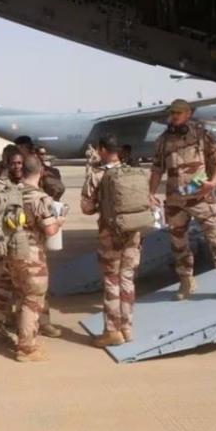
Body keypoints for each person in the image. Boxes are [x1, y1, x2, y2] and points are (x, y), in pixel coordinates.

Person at [149, 99, 216, 300]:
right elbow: (157, 169)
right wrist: (150, 193)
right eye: (172, 112)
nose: (174, 116)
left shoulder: (202, 135)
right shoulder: (162, 141)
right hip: (175, 200)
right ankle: (186, 280)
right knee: (178, 243)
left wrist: (213, 182)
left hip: (202, 197)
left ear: (187, 114)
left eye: (179, 112)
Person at [81, 134, 140, 347]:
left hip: (111, 234)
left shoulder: (97, 175)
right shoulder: (132, 171)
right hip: (133, 233)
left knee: (112, 282)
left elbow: (86, 208)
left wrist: (101, 205)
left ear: (103, 150)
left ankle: (112, 331)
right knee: (127, 280)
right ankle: (127, 328)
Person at [10, 155, 65, 362]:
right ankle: (26, 348)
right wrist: (60, 220)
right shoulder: (39, 198)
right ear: (40, 172)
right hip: (32, 255)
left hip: (13, 252)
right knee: (33, 300)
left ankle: (26, 339)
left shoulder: (12, 193)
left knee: (22, 298)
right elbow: (50, 229)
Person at [0, 148, 24, 344]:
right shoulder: (0, 188)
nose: (17, 167)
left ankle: (20, 327)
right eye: (13, 163)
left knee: (19, 290)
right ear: (6, 164)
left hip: (21, 247)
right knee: (1, 290)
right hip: (4, 247)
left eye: (20, 163)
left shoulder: (26, 184)